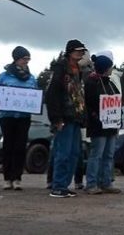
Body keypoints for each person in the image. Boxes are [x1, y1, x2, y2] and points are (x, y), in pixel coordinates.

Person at [0, 46, 38, 190]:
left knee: (20, 147)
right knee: (8, 147)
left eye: (28, 59)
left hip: (23, 117)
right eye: (24, 59)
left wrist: (35, 103)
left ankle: (17, 178)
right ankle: (7, 178)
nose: (26, 62)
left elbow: (35, 94)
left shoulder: (31, 78)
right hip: (7, 116)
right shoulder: (4, 76)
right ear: (16, 59)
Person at [46, 39, 87, 198]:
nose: (81, 53)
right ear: (70, 51)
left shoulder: (78, 70)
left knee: (74, 153)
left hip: (75, 116)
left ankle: (64, 184)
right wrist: (56, 118)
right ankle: (58, 185)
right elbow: (52, 95)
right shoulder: (60, 70)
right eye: (78, 50)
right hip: (64, 117)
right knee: (63, 152)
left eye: (82, 50)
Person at [84, 53, 122, 194]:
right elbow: (89, 104)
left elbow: (118, 104)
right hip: (98, 125)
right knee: (97, 154)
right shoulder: (91, 83)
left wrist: (118, 121)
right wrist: (95, 117)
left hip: (111, 125)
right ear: (105, 68)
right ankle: (92, 183)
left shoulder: (110, 83)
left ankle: (106, 182)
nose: (111, 70)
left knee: (109, 155)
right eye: (110, 67)